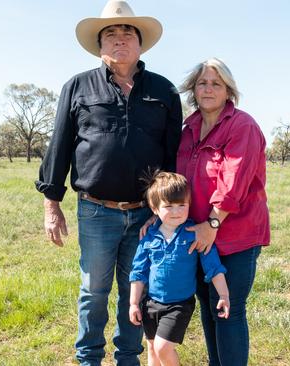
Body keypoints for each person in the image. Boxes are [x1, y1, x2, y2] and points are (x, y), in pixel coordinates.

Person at [34, 0, 183, 364]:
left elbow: (173, 156)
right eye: (111, 33)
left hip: (145, 216)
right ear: (100, 45)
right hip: (96, 210)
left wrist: (166, 213)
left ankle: (128, 358)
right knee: (93, 291)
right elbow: (60, 145)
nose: (120, 39)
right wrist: (51, 205)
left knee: (137, 290)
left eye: (127, 32)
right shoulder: (78, 87)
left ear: (140, 43)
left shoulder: (164, 92)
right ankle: (89, 358)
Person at [177, 58, 270, 365]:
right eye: (202, 82)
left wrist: (212, 223)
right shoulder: (188, 128)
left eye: (216, 83)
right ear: (193, 88)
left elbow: (234, 183)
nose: (208, 89)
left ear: (228, 90)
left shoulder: (242, 125)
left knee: (227, 308)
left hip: (235, 234)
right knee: (206, 303)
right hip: (198, 233)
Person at [129, 171, 229, 366]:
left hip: (179, 305)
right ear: (154, 208)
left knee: (163, 348)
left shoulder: (194, 234)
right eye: (168, 206)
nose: (176, 211)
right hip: (151, 303)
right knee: (152, 349)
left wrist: (224, 295)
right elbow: (138, 272)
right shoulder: (148, 237)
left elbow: (214, 267)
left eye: (181, 205)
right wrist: (133, 303)